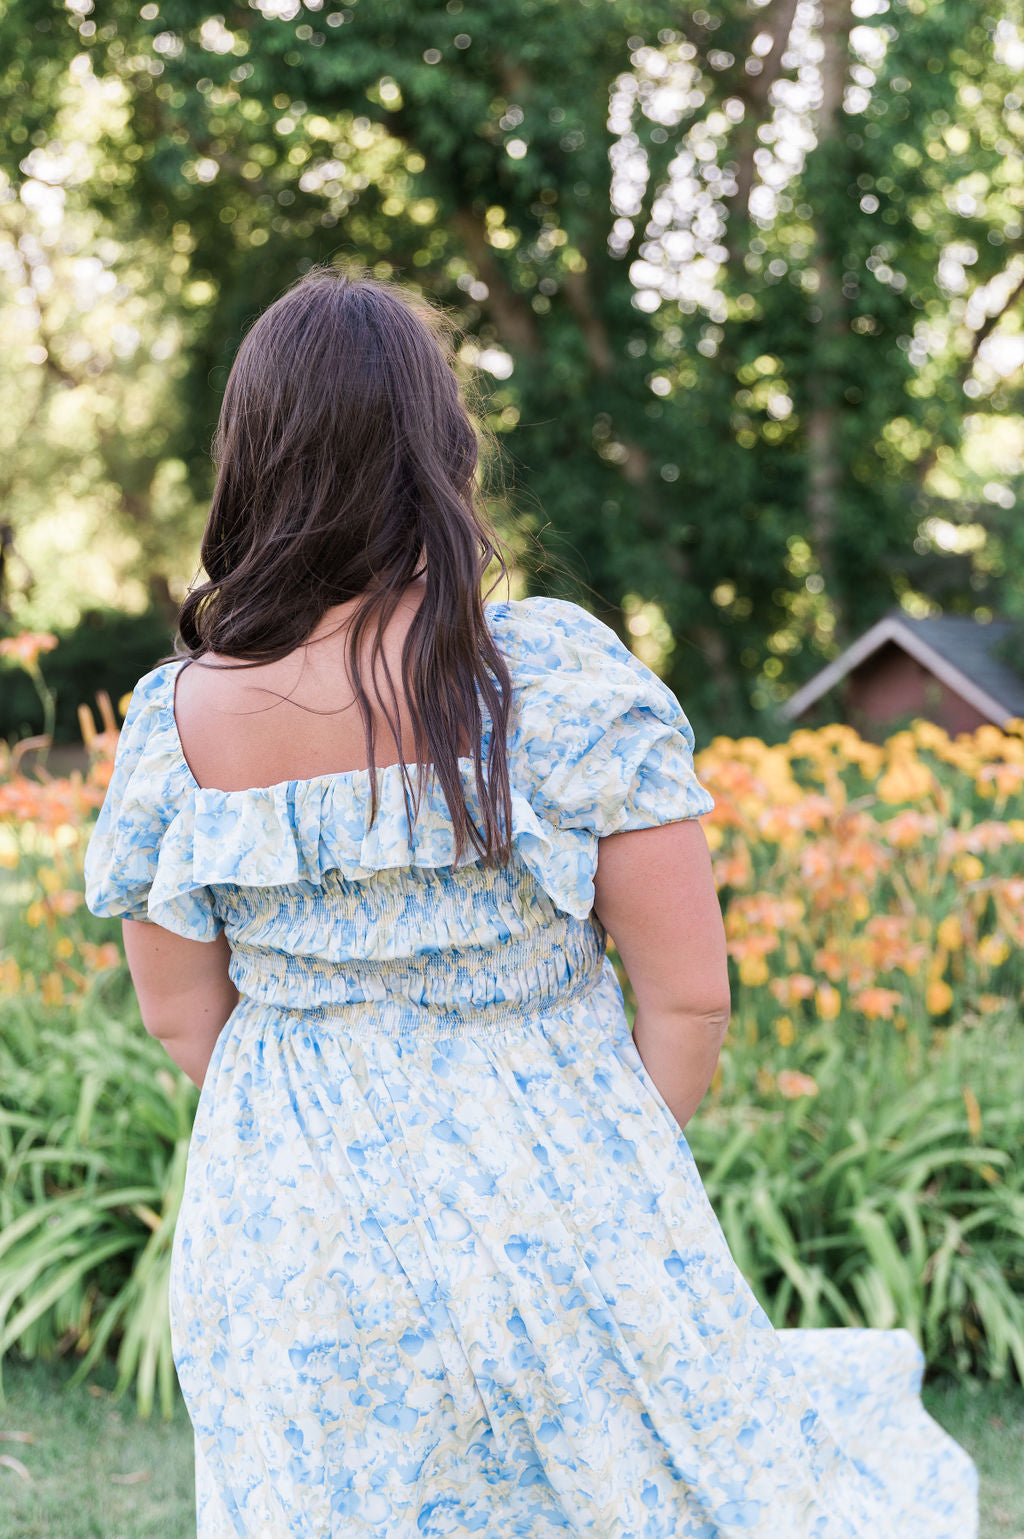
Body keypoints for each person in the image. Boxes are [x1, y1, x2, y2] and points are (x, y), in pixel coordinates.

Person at [83, 265, 977, 1539]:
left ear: (252, 459)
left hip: (289, 1224)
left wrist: (339, 1138)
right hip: (564, 1184)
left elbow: (183, 1021)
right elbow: (687, 993)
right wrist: (590, 1164)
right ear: (441, 449)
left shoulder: (174, 722)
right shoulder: (550, 676)